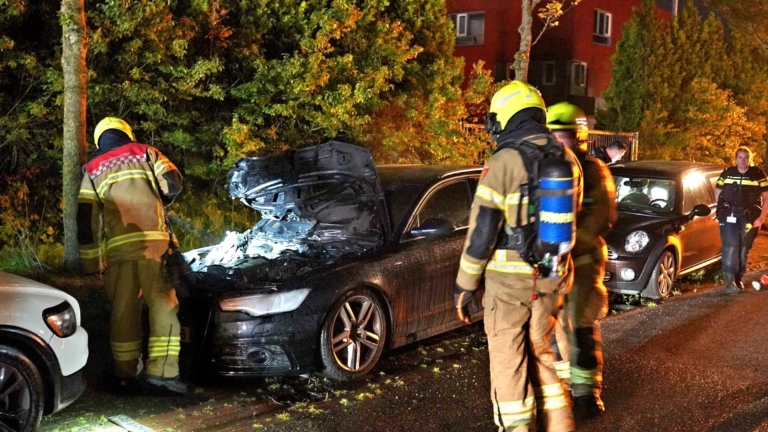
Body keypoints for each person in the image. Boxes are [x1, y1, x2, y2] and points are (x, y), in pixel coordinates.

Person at [455, 81, 577, 432]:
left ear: (505, 116)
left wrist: (465, 285)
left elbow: (482, 231)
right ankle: (561, 424)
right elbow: (572, 221)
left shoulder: (503, 161)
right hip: (552, 276)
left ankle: (517, 428)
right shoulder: (566, 158)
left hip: (508, 283)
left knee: (509, 359)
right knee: (542, 351)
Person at [77, 117, 187, 395]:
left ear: (99, 140)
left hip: (119, 252)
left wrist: (92, 262)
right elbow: (173, 183)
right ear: (126, 133)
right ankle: (162, 374)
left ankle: (125, 375)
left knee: (123, 312)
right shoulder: (147, 152)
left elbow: (86, 220)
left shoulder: (92, 169)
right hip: (156, 248)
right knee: (164, 307)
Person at [546, 102, 617, 419]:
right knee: (547, 331)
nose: (560, 142)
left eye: (565, 136)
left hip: (583, 264)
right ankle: (559, 395)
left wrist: (569, 244)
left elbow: (603, 216)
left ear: (579, 137)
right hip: (552, 266)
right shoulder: (546, 170)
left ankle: (587, 396)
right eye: (555, 136)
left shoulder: (594, 171)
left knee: (580, 330)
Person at [715, 147, 768, 293]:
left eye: (746, 157)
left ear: (750, 159)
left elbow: (766, 197)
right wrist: (719, 211)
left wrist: (761, 218)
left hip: (750, 217)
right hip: (729, 215)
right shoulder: (728, 173)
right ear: (736, 158)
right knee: (731, 245)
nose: (743, 160)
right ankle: (729, 281)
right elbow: (718, 191)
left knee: (744, 248)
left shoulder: (758, 174)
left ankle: (738, 278)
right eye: (740, 157)